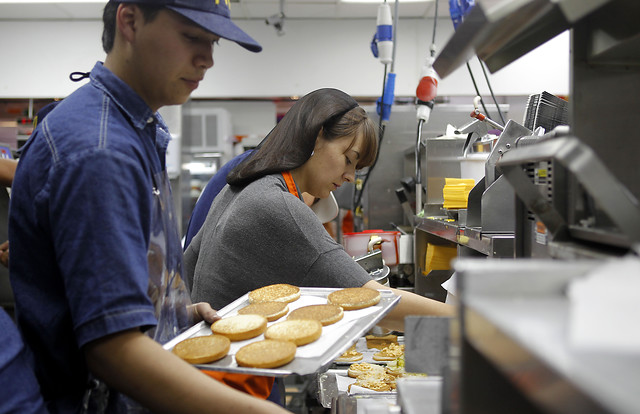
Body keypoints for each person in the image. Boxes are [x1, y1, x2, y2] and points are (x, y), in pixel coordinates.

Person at [8, 1, 289, 413]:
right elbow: (112, 350)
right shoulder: (100, 149)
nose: (207, 59)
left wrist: (171, 314)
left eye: (212, 42)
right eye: (192, 37)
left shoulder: (136, 129)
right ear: (130, 21)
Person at [184, 88, 453, 333]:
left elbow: (188, 267)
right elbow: (375, 302)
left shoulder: (239, 189)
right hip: (229, 371)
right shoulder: (278, 206)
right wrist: (471, 323)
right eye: (348, 160)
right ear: (316, 136)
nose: (350, 177)